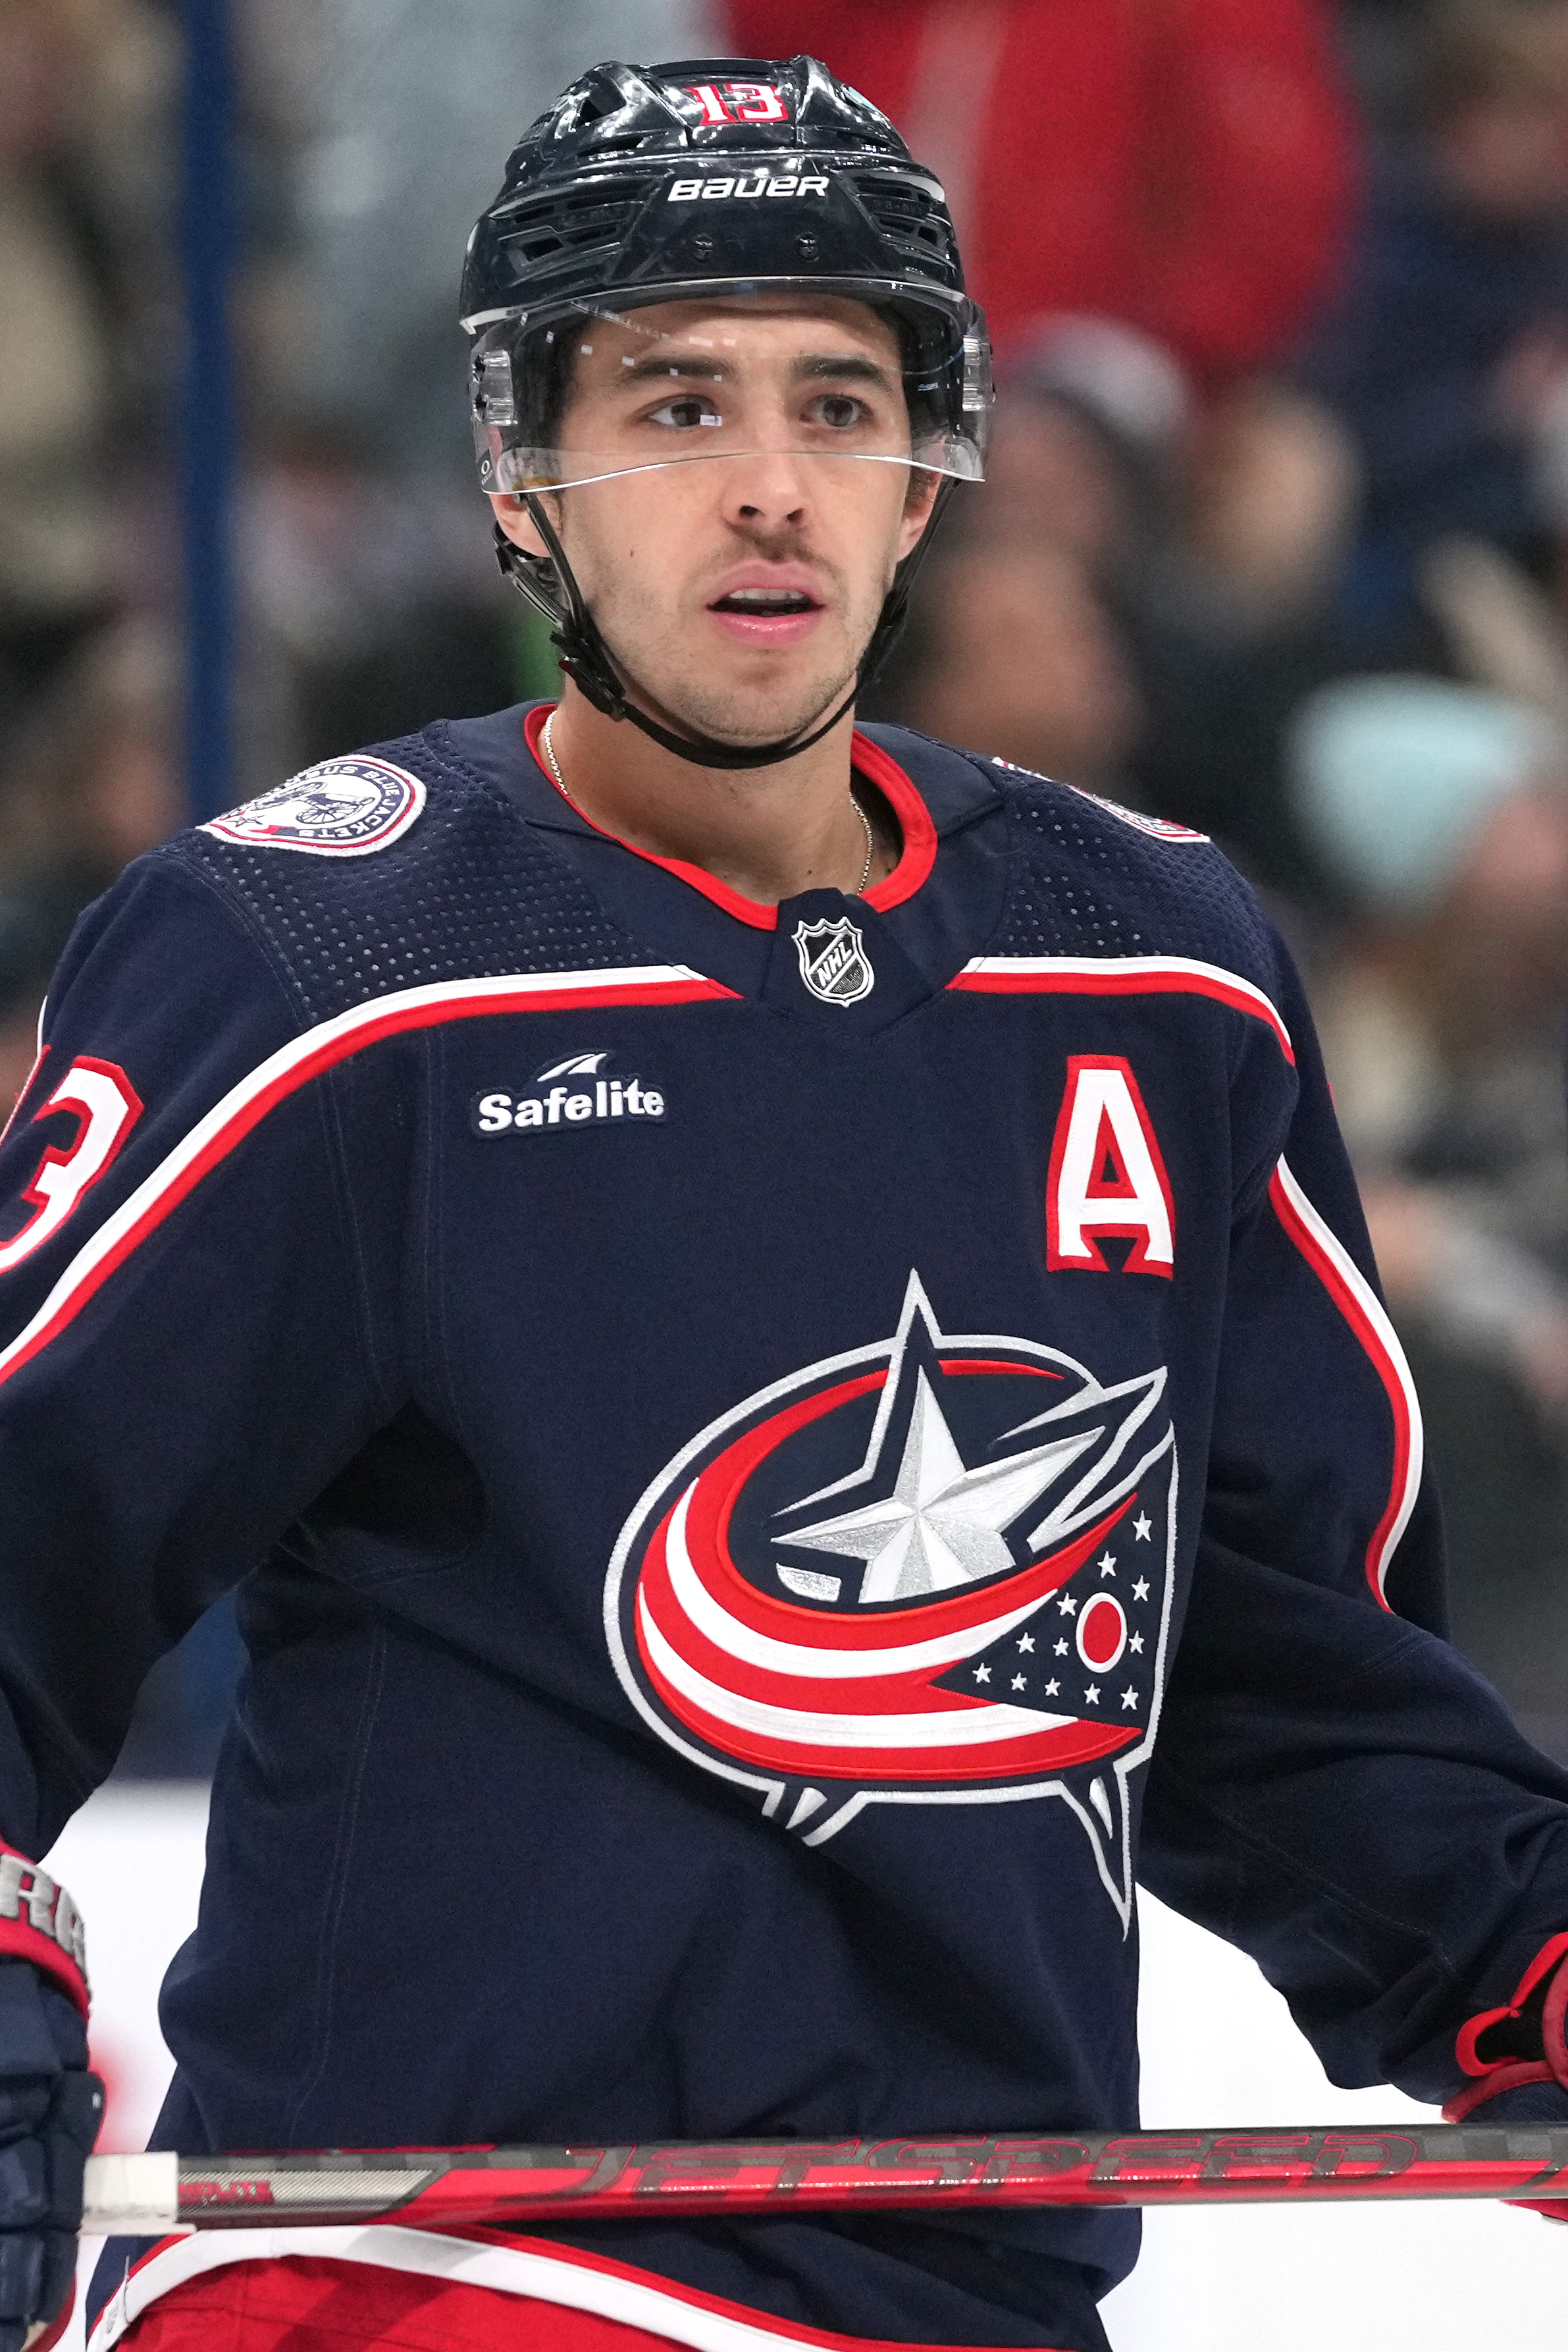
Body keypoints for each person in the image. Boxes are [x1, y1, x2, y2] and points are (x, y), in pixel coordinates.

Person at [0, 51, 1565, 2352]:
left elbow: (1268, 1675)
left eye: (841, 403)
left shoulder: (1155, 966)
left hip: (974, 2289)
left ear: (930, 470)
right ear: (519, 468)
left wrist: (1535, 1959)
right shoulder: (324, 959)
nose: (764, 491)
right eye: (673, 401)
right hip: (433, 2273)